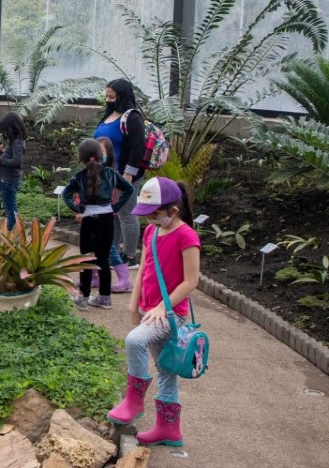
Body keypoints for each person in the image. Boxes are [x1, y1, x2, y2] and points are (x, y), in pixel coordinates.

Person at [107, 177, 200, 448]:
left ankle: (134, 401)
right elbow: (145, 270)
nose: (150, 220)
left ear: (173, 210)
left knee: (134, 340)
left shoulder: (187, 236)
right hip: (150, 311)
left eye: (155, 214)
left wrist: (163, 306)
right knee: (165, 369)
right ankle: (169, 429)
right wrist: (133, 304)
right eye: (146, 215)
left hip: (171, 315)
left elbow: (191, 281)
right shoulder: (151, 233)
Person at [62, 139, 135, 311]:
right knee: (103, 259)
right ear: (101, 155)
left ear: (80, 158)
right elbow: (129, 189)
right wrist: (115, 207)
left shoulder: (78, 177)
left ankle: (84, 297)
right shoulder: (110, 174)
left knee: (86, 259)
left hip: (88, 220)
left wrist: (78, 207)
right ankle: (104, 298)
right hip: (106, 219)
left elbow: (66, 195)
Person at [93, 79, 148, 268]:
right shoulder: (109, 114)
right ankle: (113, 251)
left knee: (126, 213)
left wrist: (128, 174)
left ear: (122, 96)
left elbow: (137, 147)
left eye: (112, 97)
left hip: (124, 175)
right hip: (108, 175)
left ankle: (130, 256)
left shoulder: (132, 117)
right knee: (113, 214)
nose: (108, 100)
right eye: (106, 96)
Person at [97, 136, 134, 293]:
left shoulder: (110, 173)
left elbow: (127, 189)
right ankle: (93, 276)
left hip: (103, 215)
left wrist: (115, 207)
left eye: (101, 151)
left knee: (108, 247)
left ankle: (124, 279)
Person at [0, 112, 26, 230]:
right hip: (7, 179)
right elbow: (12, 156)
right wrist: (2, 152)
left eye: (5, 130)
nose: (4, 134)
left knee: (9, 208)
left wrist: (0, 159)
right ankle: (15, 230)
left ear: (12, 128)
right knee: (10, 206)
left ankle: (12, 231)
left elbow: (17, 162)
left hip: (9, 181)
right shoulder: (15, 141)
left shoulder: (17, 143)